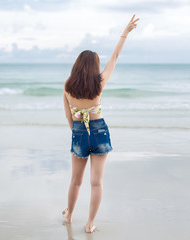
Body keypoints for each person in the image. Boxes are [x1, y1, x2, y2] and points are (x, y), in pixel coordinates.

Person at [62, 14, 139, 233]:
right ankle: (89, 224)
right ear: (93, 66)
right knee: (96, 182)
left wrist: (77, 133)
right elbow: (115, 56)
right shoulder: (99, 82)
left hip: (78, 132)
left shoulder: (68, 86)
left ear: (77, 66)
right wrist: (125, 33)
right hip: (99, 131)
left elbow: (69, 116)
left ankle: (69, 216)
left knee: (75, 181)